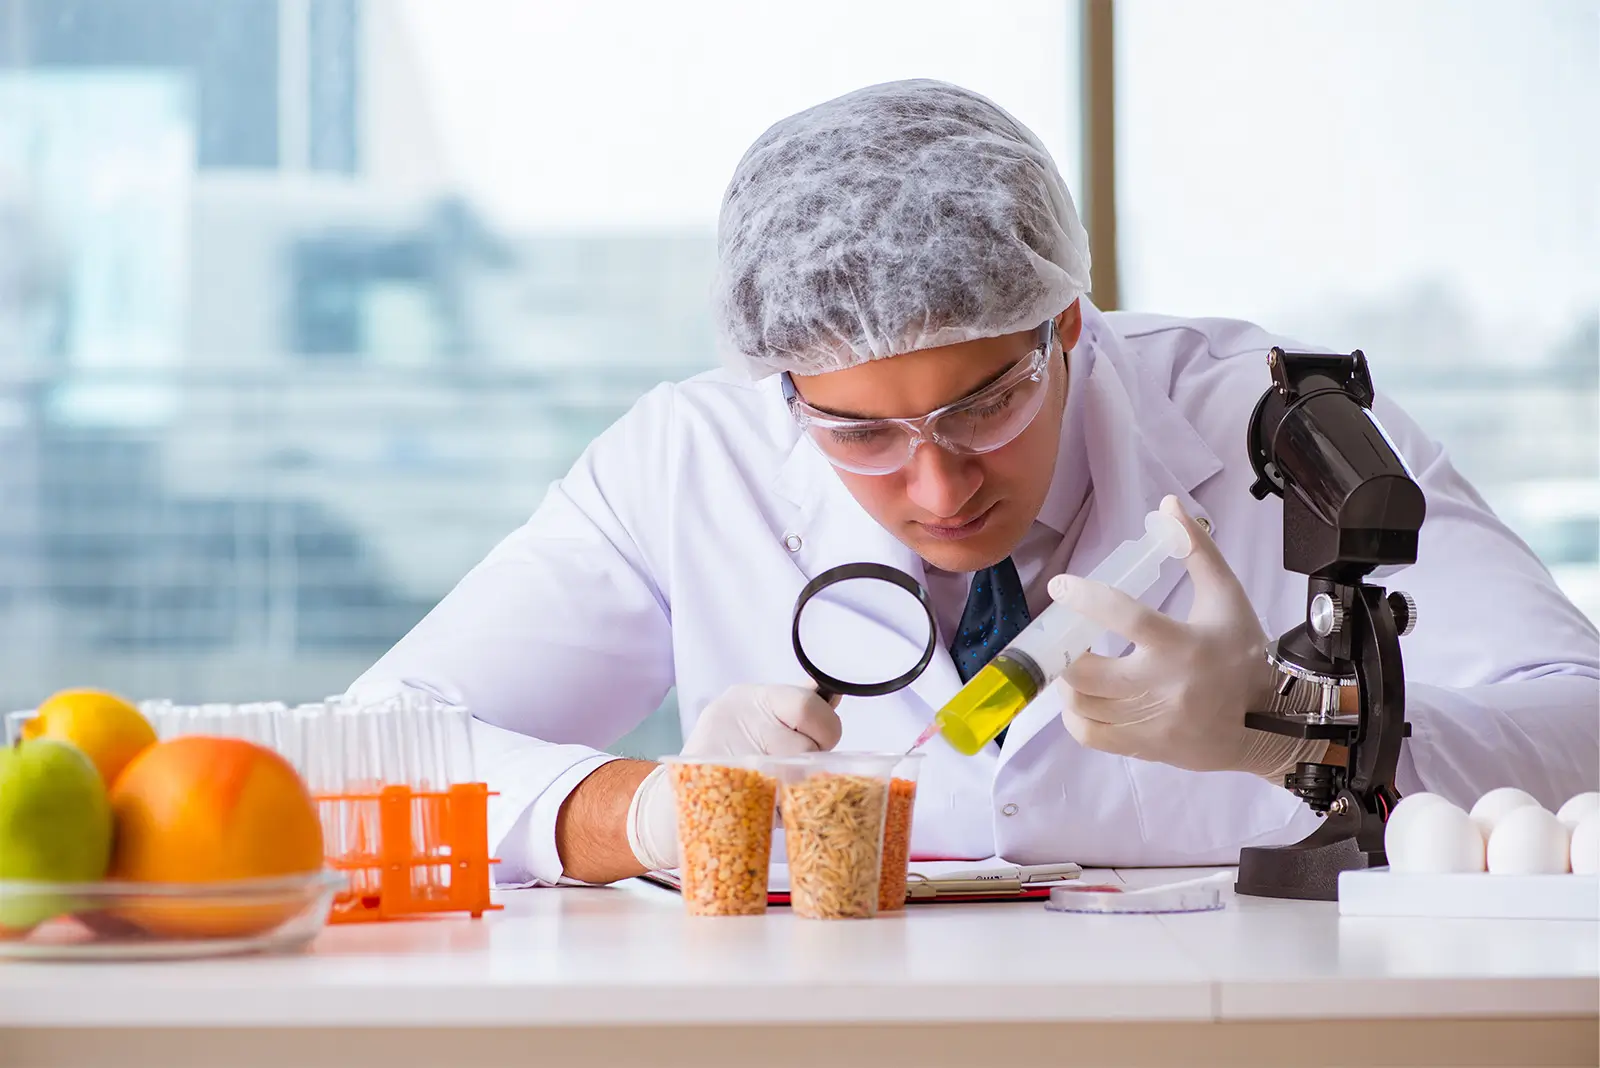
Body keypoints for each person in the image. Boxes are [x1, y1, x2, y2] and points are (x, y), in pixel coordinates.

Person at [349, 79, 1599, 887]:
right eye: (857, 432)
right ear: (783, 386)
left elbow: (1582, 724)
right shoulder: (688, 459)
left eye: (984, 405)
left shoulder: (1274, 418)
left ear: (1068, 325)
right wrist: (652, 813)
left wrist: (1296, 730)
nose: (938, 485)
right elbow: (368, 750)